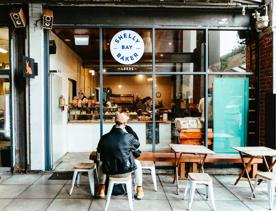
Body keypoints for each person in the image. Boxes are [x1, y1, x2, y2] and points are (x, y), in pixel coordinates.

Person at [97, 112, 144, 200]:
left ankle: (101, 188)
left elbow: (99, 152)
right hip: (125, 171)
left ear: (115, 122)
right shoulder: (129, 137)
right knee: (137, 163)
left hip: (109, 172)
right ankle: (139, 189)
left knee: (101, 163)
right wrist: (130, 130)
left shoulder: (104, 138)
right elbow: (137, 144)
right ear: (126, 123)